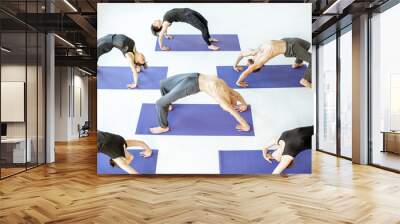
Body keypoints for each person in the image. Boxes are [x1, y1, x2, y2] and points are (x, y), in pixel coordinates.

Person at [149, 73, 250, 134]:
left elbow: (235, 102)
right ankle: (168, 103)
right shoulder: (225, 93)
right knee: (164, 84)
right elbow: (235, 102)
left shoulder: (223, 91)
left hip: (192, 84)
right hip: (193, 76)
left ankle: (163, 127)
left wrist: (245, 122)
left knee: (159, 103)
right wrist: (244, 106)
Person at [233, 38, 311, 88]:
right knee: (312, 59)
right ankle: (305, 80)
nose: (246, 65)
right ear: (254, 67)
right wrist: (238, 82)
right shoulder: (259, 62)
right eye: (248, 66)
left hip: (287, 40)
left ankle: (297, 63)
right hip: (291, 47)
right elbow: (246, 73)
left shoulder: (254, 52)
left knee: (306, 45)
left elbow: (241, 54)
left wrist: (235, 65)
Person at [151, 8, 220, 51]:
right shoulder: (165, 23)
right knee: (203, 29)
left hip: (188, 11)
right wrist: (162, 47)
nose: (155, 21)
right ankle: (209, 45)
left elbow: (164, 30)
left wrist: (167, 36)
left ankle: (209, 38)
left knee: (205, 22)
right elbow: (160, 36)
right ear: (158, 26)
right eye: (154, 23)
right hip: (189, 16)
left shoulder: (164, 23)